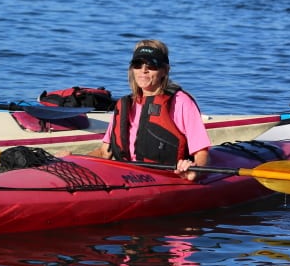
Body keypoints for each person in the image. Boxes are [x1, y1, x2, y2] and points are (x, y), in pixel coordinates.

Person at [90, 40, 210, 181]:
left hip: (166, 178)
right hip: (128, 177)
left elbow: (202, 154)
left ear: (165, 70)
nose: (143, 70)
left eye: (151, 65)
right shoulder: (124, 105)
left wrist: (195, 170)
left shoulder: (181, 102)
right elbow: (104, 153)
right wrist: (71, 161)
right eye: (137, 64)